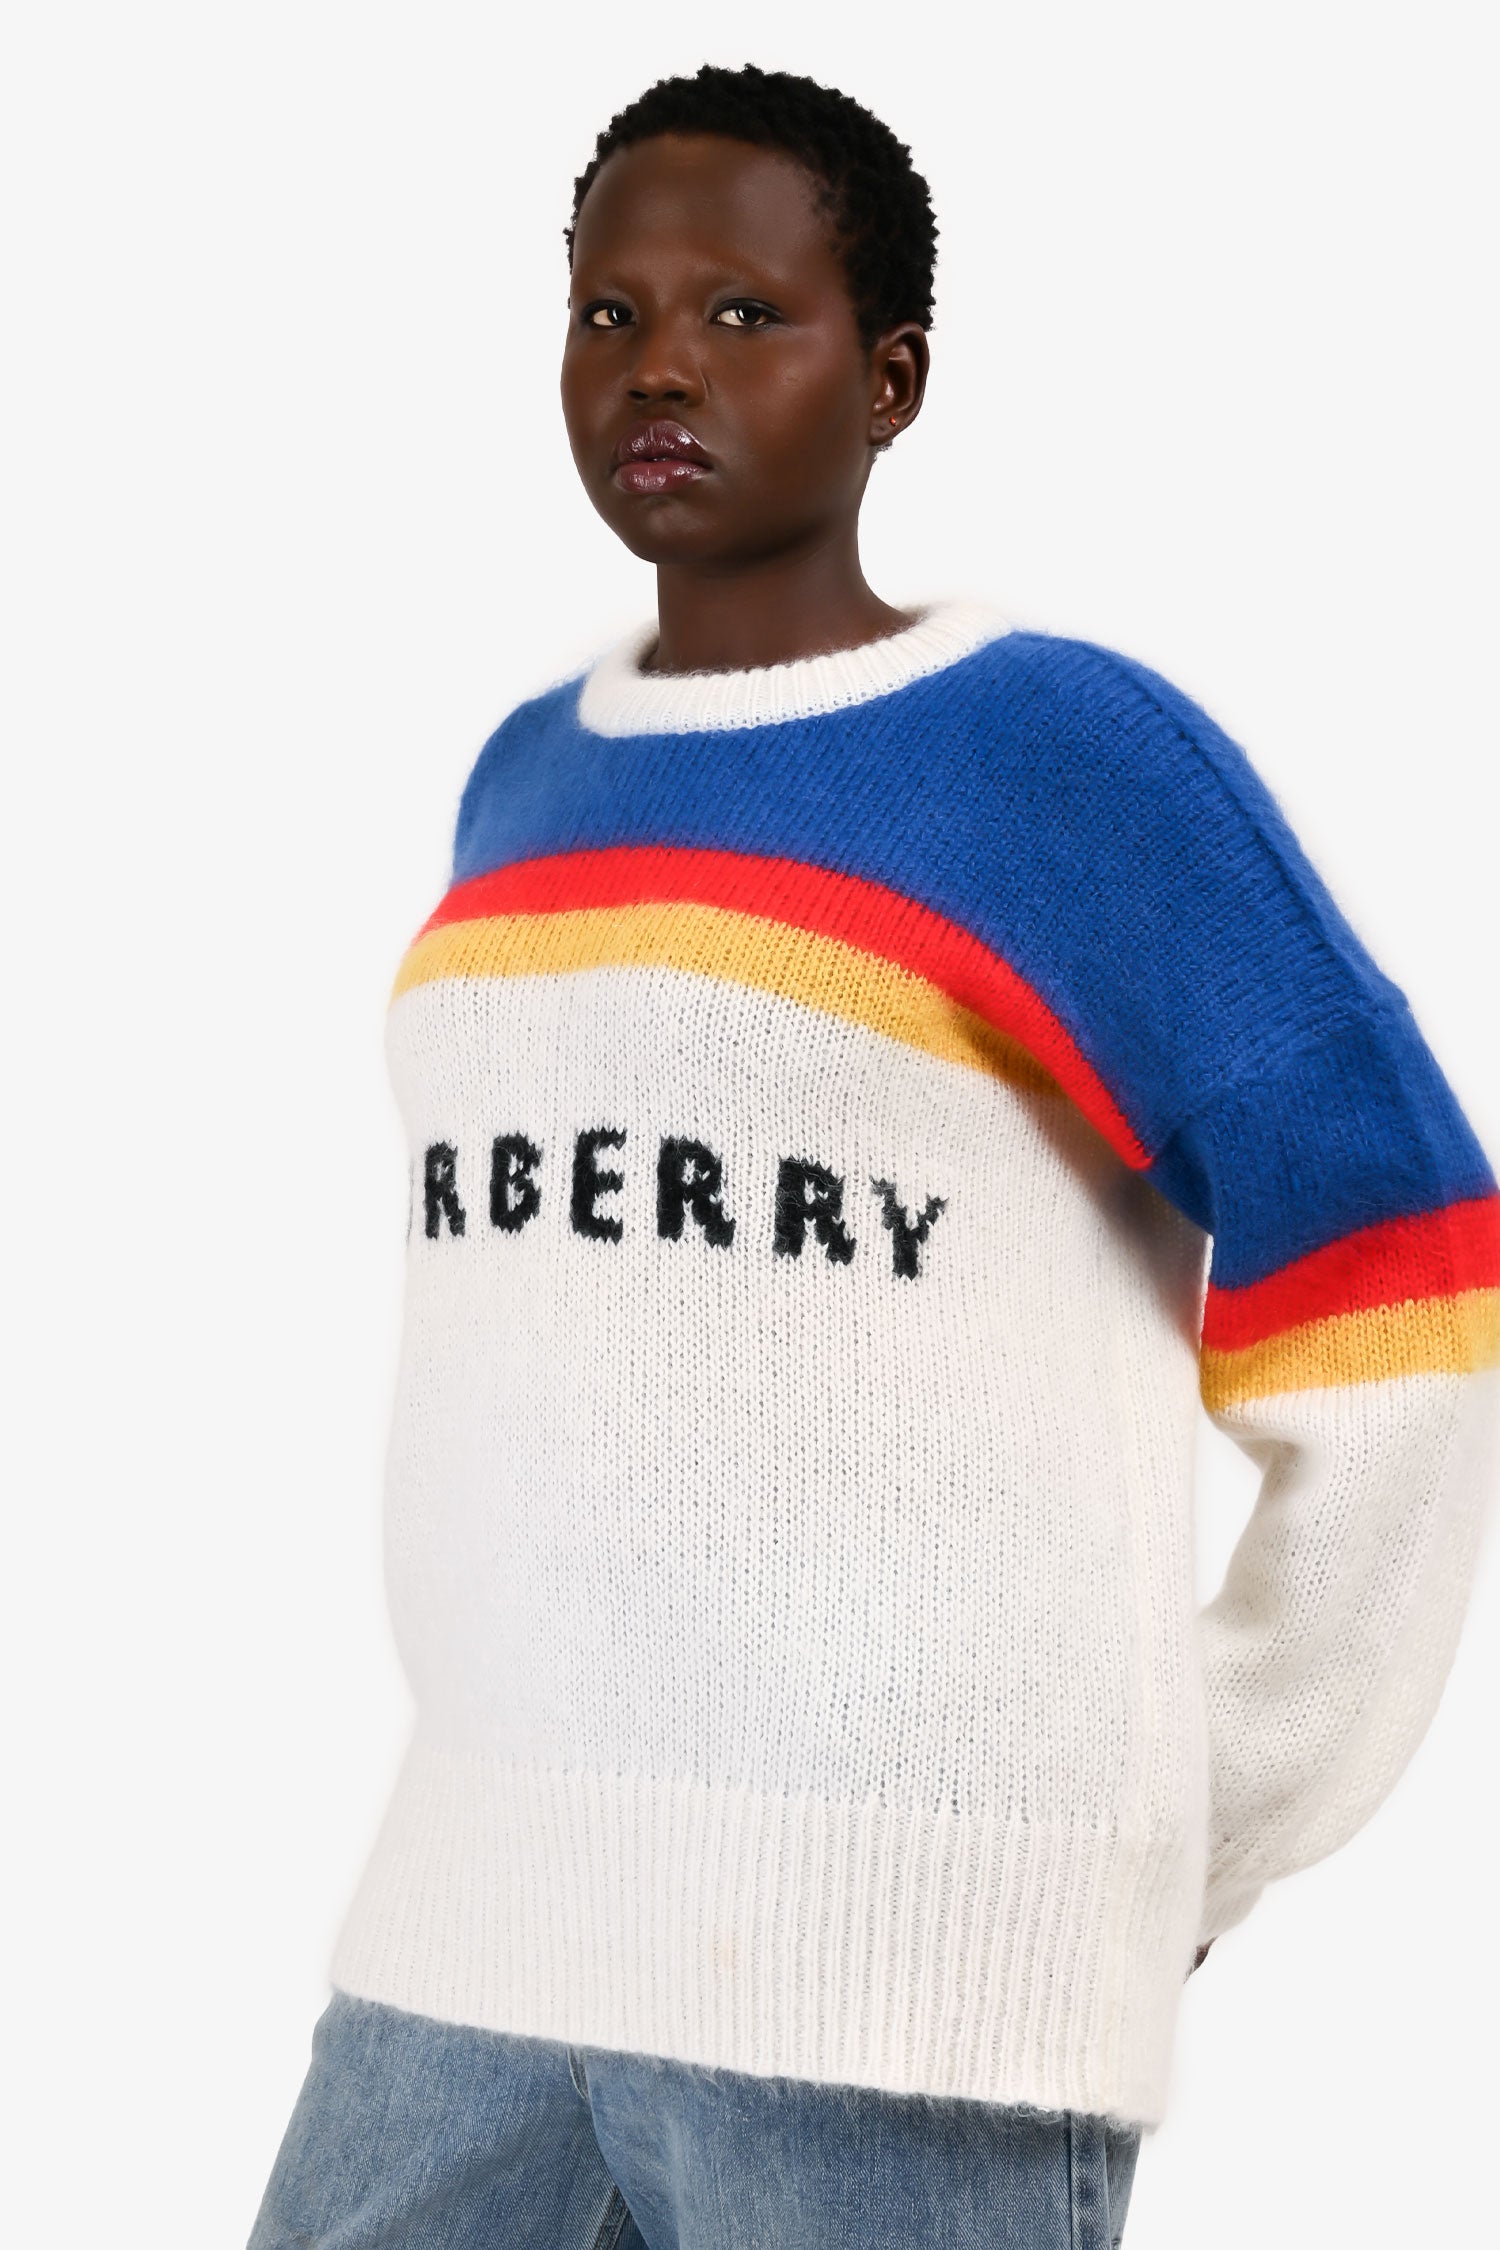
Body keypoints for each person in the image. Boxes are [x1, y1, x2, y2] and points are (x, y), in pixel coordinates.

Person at [247, 61, 1500, 2250]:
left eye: (745, 314)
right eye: (611, 313)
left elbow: (1409, 1265)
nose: (660, 366)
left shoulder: (1063, 761)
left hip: (894, 1991)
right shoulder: (526, 777)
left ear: (891, 374)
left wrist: (1190, 1809)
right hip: (473, 1929)